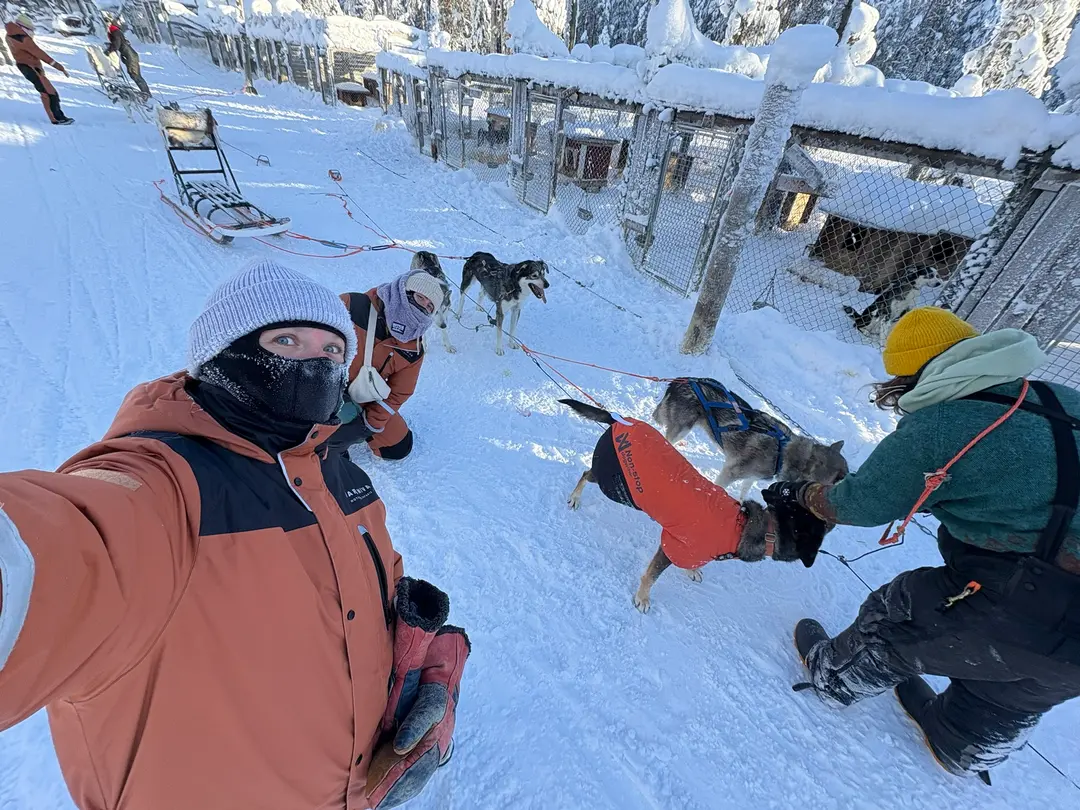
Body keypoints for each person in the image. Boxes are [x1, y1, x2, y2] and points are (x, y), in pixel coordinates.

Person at [0, 260, 468, 810]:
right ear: (222, 353)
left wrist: (433, 668)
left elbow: (377, 603)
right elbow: (59, 551)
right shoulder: (165, 489)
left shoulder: (344, 482)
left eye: (330, 352)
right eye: (286, 339)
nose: (312, 363)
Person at [764, 306, 1080, 782]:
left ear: (913, 377)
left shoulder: (941, 424)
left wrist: (804, 493)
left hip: (1020, 595)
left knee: (902, 614)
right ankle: (965, 742)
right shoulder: (1063, 399)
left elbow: (862, 504)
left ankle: (834, 677)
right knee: (1028, 678)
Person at [332, 269, 447, 460]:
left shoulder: (414, 347)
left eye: (429, 307)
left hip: (364, 395)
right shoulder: (351, 305)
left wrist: (370, 424)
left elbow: (399, 392)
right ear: (404, 291)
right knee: (328, 436)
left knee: (398, 447)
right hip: (324, 386)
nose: (423, 307)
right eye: (420, 298)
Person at [4, 13, 73, 124]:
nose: (32, 32)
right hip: (31, 67)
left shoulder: (9, 35)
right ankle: (57, 119)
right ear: (24, 27)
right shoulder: (24, 39)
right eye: (31, 29)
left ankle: (56, 117)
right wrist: (58, 66)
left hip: (24, 66)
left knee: (45, 92)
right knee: (50, 93)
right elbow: (40, 53)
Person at [104, 17, 150, 99]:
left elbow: (117, 44)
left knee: (135, 75)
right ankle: (145, 93)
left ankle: (146, 94)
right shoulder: (116, 30)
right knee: (134, 74)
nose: (106, 24)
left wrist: (109, 51)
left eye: (107, 22)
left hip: (131, 57)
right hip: (130, 55)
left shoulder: (114, 31)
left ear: (111, 22)